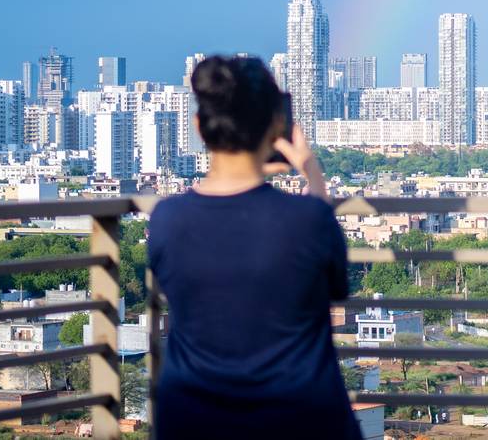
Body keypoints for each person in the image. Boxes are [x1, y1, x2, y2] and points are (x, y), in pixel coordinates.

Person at [147, 55, 360, 438]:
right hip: (301, 419)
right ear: (275, 126)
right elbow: (337, 289)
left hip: (193, 419)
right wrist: (311, 171)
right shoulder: (308, 219)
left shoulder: (167, 220)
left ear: (199, 128)